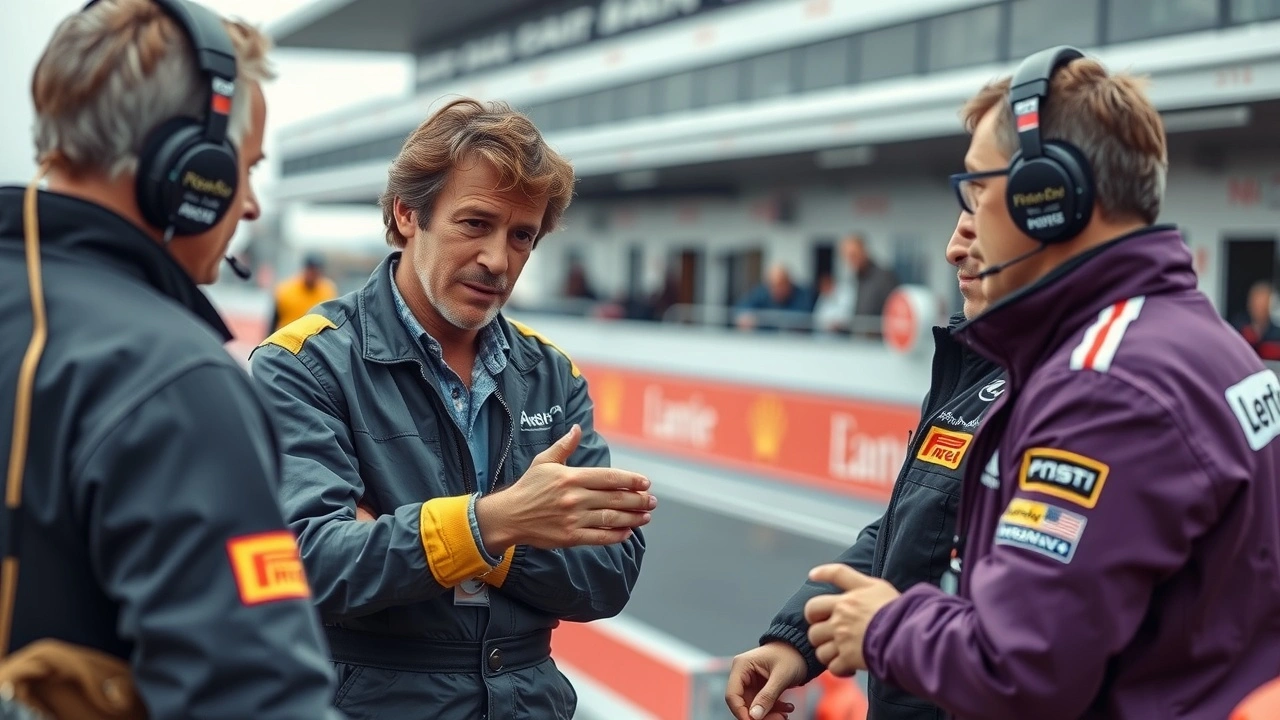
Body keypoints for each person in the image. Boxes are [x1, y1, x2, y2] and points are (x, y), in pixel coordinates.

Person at [798, 46, 1280, 720]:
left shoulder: (1104, 386)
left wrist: (885, 626)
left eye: (978, 187)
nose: (959, 231)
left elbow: (1020, 664)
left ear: (1047, 198)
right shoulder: (1203, 341)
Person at [249, 98, 652, 720]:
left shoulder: (552, 374)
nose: (499, 259)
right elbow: (307, 562)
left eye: (522, 236)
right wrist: (499, 522)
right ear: (407, 213)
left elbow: (608, 576)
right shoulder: (302, 364)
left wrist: (446, 530)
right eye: (475, 223)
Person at [0, 1, 344, 719]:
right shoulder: (175, 382)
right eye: (245, 170)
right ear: (193, 172)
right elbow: (259, 700)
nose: (249, 205)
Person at [725, 211, 1005, 720]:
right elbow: (911, 531)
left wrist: (894, 627)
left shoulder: (1076, 393)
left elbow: (1051, 640)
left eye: (981, 209)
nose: (953, 247)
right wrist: (796, 641)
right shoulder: (975, 367)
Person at [733, 262, 816, 331]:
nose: (776, 290)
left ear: (789, 282)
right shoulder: (762, 293)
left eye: (780, 285)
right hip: (765, 343)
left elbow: (803, 319)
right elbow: (742, 307)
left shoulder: (802, 296)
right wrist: (745, 316)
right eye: (772, 286)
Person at [270, 252, 339, 331]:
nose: (313, 275)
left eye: (316, 271)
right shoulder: (286, 290)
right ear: (305, 269)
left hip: (313, 340)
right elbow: (274, 322)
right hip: (287, 338)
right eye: (311, 270)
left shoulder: (328, 291)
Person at [1237, 280, 1280, 360]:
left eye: (1263, 302)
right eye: (1255, 301)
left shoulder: (1277, 336)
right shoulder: (1238, 331)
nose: (1258, 307)